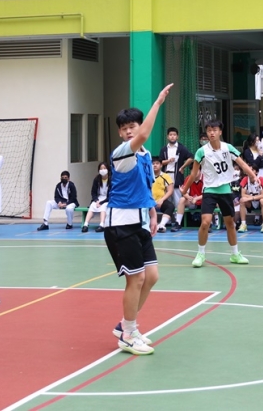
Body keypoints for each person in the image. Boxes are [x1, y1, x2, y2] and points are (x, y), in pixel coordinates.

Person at [104, 83, 173, 356]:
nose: (129, 131)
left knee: (151, 276)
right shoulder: (122, 153)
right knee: (136, 279)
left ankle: (125, 325)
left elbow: (146, 188)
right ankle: (128, 333)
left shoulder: (144, 156)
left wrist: (153, 214)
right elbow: (145, 134)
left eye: (132, 126)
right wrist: (158, 102)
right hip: (121, 224)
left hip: (141, 221)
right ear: (120, 133)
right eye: (124, 128)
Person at [183, 119, 258, 268]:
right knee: (205, 222)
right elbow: (193, 174)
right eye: (209, 130)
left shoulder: (228, 148)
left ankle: (235, 254)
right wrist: (184, 190)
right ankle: (200, 254)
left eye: (215, 130)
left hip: (225, 190)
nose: (212, 133)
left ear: (220, 132)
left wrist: (253, 176)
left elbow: (242, 164)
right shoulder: (201, 152)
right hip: (209, 190)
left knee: (230, 223)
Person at [157, 127, 193, 200]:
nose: (172, 136)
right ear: (167, 136)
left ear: (177, 136)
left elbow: (191, 158)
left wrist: (182, 167)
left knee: (177, 199)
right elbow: (160, 162)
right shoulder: (164, 149)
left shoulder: (181, 148)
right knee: (166, 199)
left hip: (177, 176)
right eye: (170, 135)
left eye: (174, 135)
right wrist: (168, 161)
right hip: (166, 174)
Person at [239, 167, 263, 233]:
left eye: (252, 170)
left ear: (257, 172)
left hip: (259, 202)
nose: (250, 171)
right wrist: (251, 198)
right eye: (249, 169)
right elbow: (243, 194)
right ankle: (243, 224)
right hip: (250, 202)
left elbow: (262, 195)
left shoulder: (260, 179)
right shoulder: (245, 179)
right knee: (242, 200)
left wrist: (252, 198)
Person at [82, 163, 110, 232]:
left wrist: (101, 202)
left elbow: (111, 195)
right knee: (92, 206)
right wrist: (96, 200)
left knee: (103, 207)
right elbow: (93, 192)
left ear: (108, 169)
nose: (103, 170)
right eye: (101, 168)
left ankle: (102, 225)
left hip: (107, 199)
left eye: (104, 168)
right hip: (99, 198)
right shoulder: (97, 179)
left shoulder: (111, 179)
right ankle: (85, 225)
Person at [151, 159, 175, 233]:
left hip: (160, 201)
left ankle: (161, 225)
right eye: (153, 163)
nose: (155, 165)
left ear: (161, 165)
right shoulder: (147, 176)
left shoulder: (165, 176)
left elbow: (170, 190)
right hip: (149, 201)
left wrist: (162, 200)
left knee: (170, 206)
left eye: (157, 163)